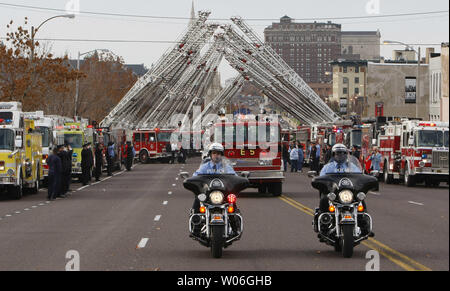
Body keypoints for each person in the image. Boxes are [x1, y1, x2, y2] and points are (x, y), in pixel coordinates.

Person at [192, 143, 237, 236]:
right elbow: (196, 175)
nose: (216, 155)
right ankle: (196, 226)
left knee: (232, 202)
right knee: (198, 199)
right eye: (214, 153)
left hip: (222, 193)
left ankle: (235, 226)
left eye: (219, 153)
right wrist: (192, 180)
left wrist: (239, 180)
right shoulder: (205, 167)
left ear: (222, 155)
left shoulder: (226, 167)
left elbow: (234, 176)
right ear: (210, 154)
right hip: (208, 193)